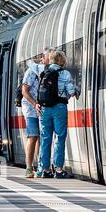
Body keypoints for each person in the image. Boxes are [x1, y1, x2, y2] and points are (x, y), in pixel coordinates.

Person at [36, 48, 78, 179]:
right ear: (62, 60)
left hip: (44, 109)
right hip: (59, 108)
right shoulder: (65, 73)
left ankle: (45, 169)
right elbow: (70, 92)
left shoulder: (44, 72)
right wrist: (76, 89)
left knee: (45, 138)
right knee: (59, 137)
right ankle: (58, 170)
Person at [20, 51, 46, 178]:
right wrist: (35, 104)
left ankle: (41, 166)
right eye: (47, 57)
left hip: (43, 108)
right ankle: (29, 167)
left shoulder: (49, 72)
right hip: (30, 108)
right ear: (42, 58)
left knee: (42, 137)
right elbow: (24, 91)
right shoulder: (31, 72)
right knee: (33, 136)